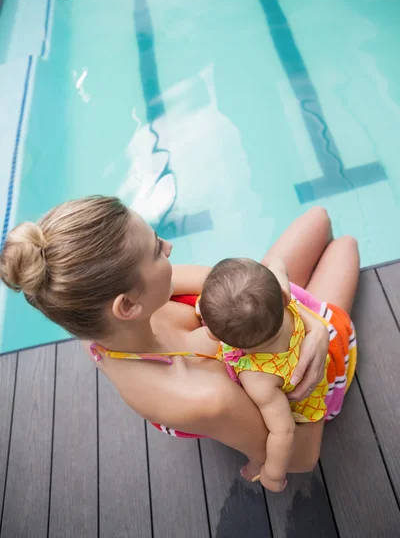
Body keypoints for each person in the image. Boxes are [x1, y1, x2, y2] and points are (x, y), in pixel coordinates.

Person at [0, 197, 359, 473]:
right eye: (156, 251)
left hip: (262, 318)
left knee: (319, 218)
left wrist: (306, 319)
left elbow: (235, 282)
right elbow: (300, 459)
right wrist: (320, 339)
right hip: (301, 378)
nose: (168, 246)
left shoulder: (95, 318)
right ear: (128, 305)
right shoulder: (205, 397)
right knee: (346, 246)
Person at [198, 256, 356, 491]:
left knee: (268, 429)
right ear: (283, 295)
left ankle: (256, 463)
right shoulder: (281, 298)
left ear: (212, 334)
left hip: (327, 379)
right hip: (335, 333)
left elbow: (283, 431)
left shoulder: (258, 378)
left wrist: (272, 473)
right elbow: (279, 263)